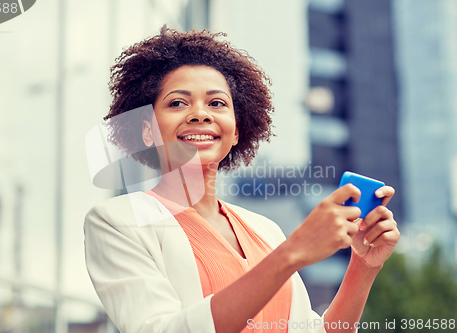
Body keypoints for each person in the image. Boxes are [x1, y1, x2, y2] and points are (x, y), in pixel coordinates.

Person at [84, 26, 400, 333]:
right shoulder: (116, 222)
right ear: (147, 131)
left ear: (236, 131)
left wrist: (363, 265)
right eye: (177, 102)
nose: (200, 114)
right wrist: (291, 254)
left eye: (217, 103)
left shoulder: (266, 230)